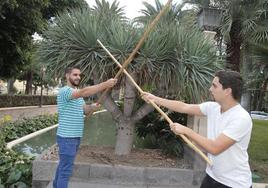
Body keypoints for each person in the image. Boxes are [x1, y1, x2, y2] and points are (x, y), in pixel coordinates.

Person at [142, 70, 252, 188]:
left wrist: (186, 131)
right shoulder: (213, 108)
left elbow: (215, 148)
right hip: (212, 176)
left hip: (234, 183)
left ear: (227, 91)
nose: (210, 89)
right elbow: (184, 107)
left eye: (214, 86)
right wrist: (155, 99)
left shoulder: (240, 118)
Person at [53, 66, 117, 188]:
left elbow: (85, 111)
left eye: (79, 75)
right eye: (75, 75)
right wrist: (105, 84)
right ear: (67, 76)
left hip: (75, 137)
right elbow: (84, 91)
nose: (78, 77)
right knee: (66, 170)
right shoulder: (65, 91)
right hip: (67, 137)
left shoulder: (77, 96)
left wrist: (92, 107)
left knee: (63, 166)